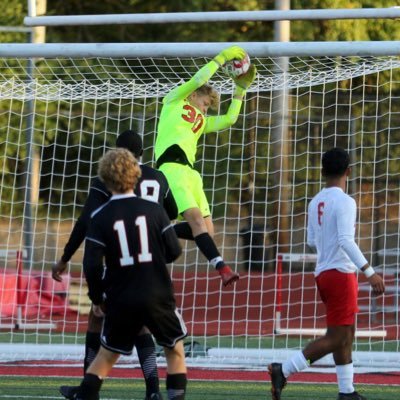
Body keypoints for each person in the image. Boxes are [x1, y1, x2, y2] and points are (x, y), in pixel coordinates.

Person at [52, 130, 177, 400]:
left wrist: (65, 258)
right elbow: (173, 213)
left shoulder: (110, 180)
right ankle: (154, 390)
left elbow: (86, 221)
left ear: (116, 153)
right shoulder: (159, 177)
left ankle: (87, 388)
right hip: (151, 265)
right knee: (153, 331)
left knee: (97, 316)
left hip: (120, 261)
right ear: (144, 152)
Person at [268, 147, 385, 400]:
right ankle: (284, 370)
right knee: (337, 336)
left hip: (324, 272)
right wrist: (369, 271)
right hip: (341, 274)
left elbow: (311, 240)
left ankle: (346, 391)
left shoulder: (315, 201)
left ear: (322, 172)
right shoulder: (345, 201)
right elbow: (345, 239)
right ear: (348, 172)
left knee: (346, 333)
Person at [155, 45, 257, 287]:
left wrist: (240, 90)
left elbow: (230, 119)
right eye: (204, 102)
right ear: (193, 95)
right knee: (197, 222)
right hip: (171, 169)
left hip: (191, 175)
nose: (204, 108)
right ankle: (222, 268)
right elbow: (200, 78)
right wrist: (222, 57)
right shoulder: (174, 101)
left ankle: (158, 230)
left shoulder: (201, 121)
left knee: (207, 231)